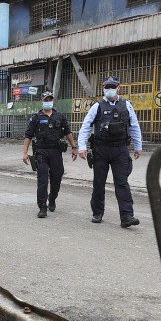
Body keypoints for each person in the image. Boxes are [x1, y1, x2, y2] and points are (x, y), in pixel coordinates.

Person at [77, 76, 143, 227]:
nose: (109, 90)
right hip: (101, 149)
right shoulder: (98, 106)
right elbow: (86, 126)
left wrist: (138, 146)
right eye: (107, 87)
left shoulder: (126, 105)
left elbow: (134, 126)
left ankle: (127, 216)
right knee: (99, 183)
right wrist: (82, 146)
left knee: (122, 183)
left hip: (120, 149)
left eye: (112, 87)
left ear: (118, 88)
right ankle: (97, 213)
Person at [22, 91, 78, 218]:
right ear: (41, 101)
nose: (48, 102)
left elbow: (68, 132)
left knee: (57, 177)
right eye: (46, 100)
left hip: (56, 152)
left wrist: (74, 147)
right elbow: (28, 135)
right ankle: (42, 206)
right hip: (41, 151)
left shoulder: (59, 117)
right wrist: (25, 153)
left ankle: (52, 198)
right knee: (42, 179)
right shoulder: (36, 118)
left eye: (50, 100)